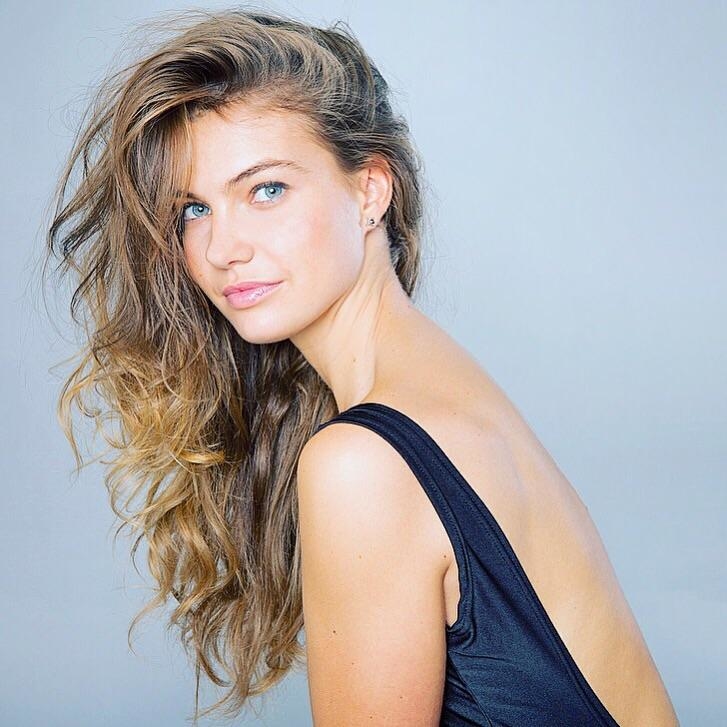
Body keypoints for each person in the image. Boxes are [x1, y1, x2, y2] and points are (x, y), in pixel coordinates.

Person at [43, 7, 679, 726]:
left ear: (370, 190)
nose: (221, 248)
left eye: (266, 190)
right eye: (193, 208)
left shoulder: (364, 462)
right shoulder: (444, 383)